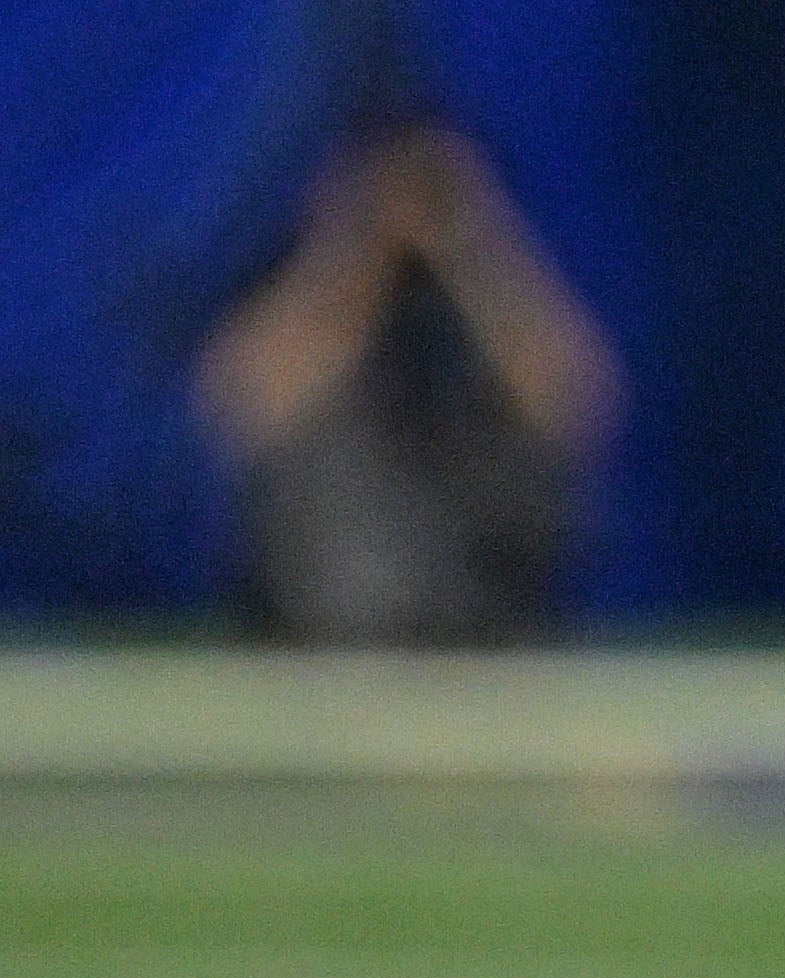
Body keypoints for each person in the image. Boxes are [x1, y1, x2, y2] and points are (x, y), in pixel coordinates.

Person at [193, 121, 620, 648]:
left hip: (495, 659)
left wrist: (469, 237)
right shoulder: (301, 300)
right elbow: (244, 398)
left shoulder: (490, 314)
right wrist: (359, 240)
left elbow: (577, 397)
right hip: (319, 659)